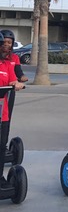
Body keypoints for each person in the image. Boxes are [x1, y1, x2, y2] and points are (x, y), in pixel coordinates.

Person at [0, 31, 26, 177]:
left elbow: (14, 77)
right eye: (2, 43)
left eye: (8, 43)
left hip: (3, 104)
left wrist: (18, 82)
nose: (5, 46)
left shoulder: (10, 62)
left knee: (2, 137)